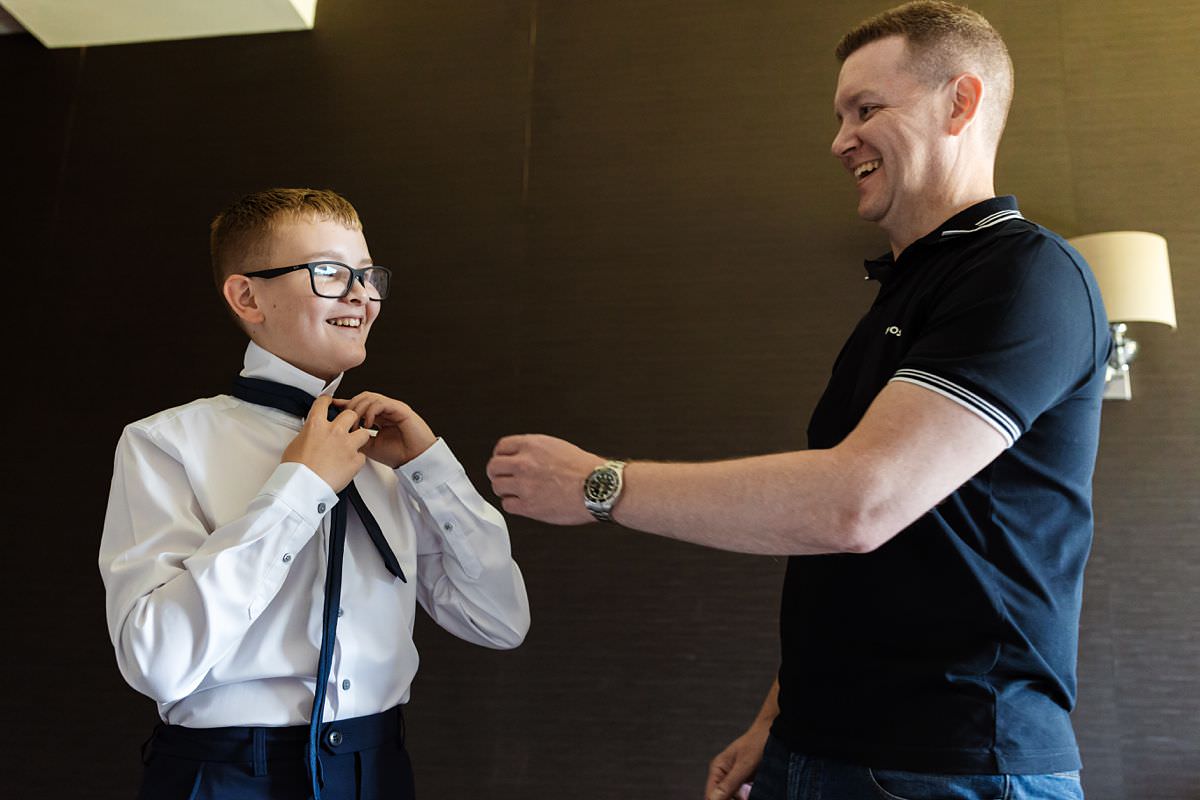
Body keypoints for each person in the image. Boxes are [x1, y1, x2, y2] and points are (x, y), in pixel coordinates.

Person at [486, 3, 1107, 799]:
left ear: (961, 102)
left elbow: (858, 504)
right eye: (840, 114)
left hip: (950, 765)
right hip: (819, 746)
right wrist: (776, 720)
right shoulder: (909, 292)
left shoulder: (1026, 275)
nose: (840, 138)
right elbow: (857, 556)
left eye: (866, 109)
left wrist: (597, 486)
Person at [99, 188, 530, 800]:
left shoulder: (388, 451)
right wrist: (300, 489)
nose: (363, 295)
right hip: (223, 777)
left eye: (367, 274)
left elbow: (501, 622)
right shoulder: (165, 443)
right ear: (247, 296)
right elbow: (156, 661)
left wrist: (432, 469)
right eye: (330, 272)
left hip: (376, 771)